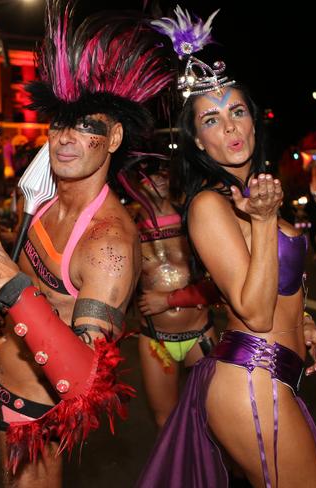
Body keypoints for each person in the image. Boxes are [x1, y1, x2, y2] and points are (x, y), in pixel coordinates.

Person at [0, 4, 172, 487]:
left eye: (85, 126)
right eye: (57, 125)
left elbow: (88, 384)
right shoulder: (41, 194)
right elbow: (28, 288)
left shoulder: (109, 244)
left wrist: (11, 290)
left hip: (35, 419)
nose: (66, 138)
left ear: (113, 137)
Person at [138, 7, 316, 487]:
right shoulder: (210, 204)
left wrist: (304, 319)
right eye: (211, 120)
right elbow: (254, 310)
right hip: (251, 377)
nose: (229, 127)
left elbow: (270, 280)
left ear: (253, 121)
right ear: (200, 143)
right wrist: (266, 222)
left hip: (278, 374)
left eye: (237, 111)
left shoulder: (254, 192)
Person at [118, 160, 219, 428]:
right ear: (134, 183)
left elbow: (223, 280)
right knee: (167, 421)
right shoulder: (125, 227)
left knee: (215, 416)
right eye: (148, 175)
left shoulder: (193, 215)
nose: (158, 179)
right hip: (155, 340)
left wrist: (170, 299)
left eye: (162, 172)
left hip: (200, 333)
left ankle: (218, 470)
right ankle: (180, 471)